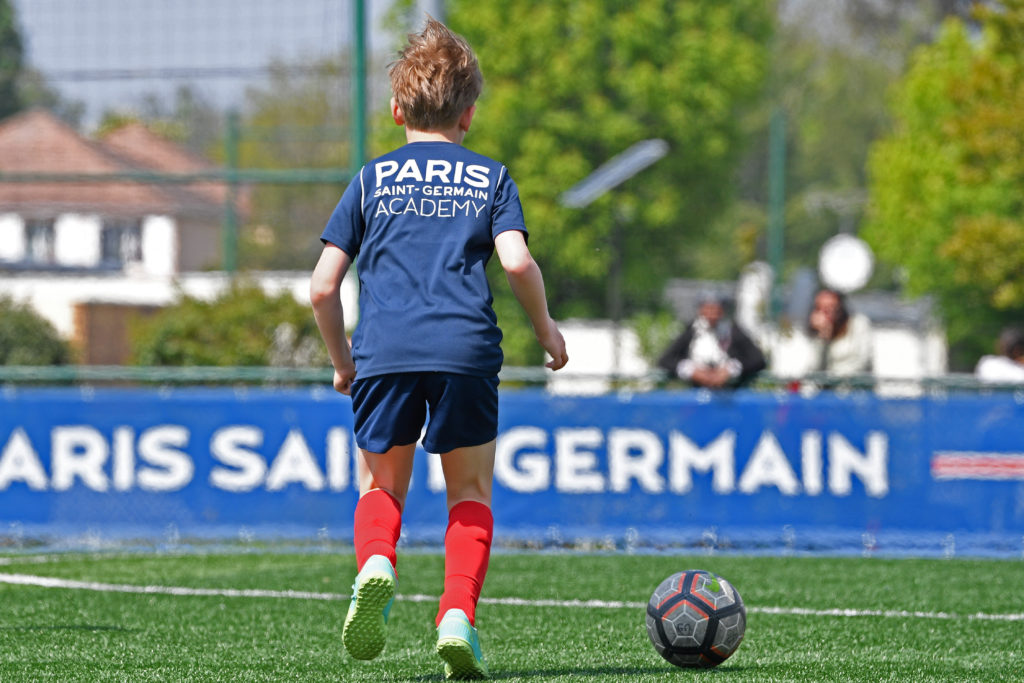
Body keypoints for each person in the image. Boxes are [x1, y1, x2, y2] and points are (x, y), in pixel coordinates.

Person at [309, 17, 568, 680]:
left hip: (385, 349)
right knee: (470, 490)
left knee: (381, 482)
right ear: (470, 114)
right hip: (466, 350)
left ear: (397, 108)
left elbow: (321, 286)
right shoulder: (490, 178)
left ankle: (376, 562)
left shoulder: (370, 180)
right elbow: (516, 263)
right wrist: (545, 331)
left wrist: (343, 362)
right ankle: (456, 616)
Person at [656, 294, 766, 388]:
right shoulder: (691, 331)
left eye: (716, 310)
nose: (712, 315)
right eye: (708, 309)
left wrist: (730, 369)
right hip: (696, 394)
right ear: (700, 310)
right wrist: (692, 370)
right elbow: (665, 360)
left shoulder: (733, 331)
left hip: (729, 393)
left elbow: (758, 360)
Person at [805, 288, 872, 376]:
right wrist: (822, 339)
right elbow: (814, 368)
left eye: (831, 307)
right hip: (827, 388)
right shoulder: (814, 333)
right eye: (822, 309)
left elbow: (862, 361)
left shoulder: (858, 324)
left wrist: (834, 375)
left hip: (855, 387)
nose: (828, 314)